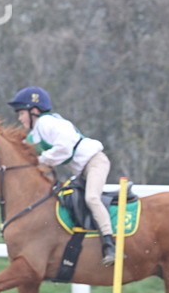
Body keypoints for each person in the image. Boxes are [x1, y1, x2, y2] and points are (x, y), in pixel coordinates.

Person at [8, 86, 117, 266]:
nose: (19, 118)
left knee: (91, 198)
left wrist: (43, 159)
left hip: (95, 162)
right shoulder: (36, 131)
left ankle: (109, 243)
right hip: (82, 170)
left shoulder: (47, 123)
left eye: (21, 113)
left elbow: (65, 148)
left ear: (33, 111)